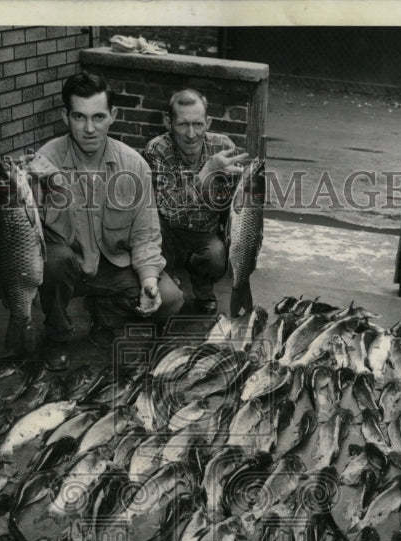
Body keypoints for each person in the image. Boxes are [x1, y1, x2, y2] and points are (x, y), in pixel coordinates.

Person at [22, 73, 183, 372]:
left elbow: (145, 235)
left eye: (98, 116)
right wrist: (39, 186)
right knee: (55, 260)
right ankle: (57, 336)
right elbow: (32, 236)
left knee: (171, 300)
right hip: (68, 265)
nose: (89, 128)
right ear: (65, 117)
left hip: (112, 265)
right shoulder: (45, 161)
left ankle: (105, 315)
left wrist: (149, 281)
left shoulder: (134, 165)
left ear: (113, 116)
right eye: (79, 117)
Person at [144, 88, 248, 315]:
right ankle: (168, 276)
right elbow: (170, 210)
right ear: (168, 122)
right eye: (183, 124)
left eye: (198, 124)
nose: (191, 134)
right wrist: (207, 171)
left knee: (215, 257)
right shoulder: (157, 149)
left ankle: (203, 288)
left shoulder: (223, 146)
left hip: (204, 230)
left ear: (208, 122)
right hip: (167, 232)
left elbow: (236, 204)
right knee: (167, 298)